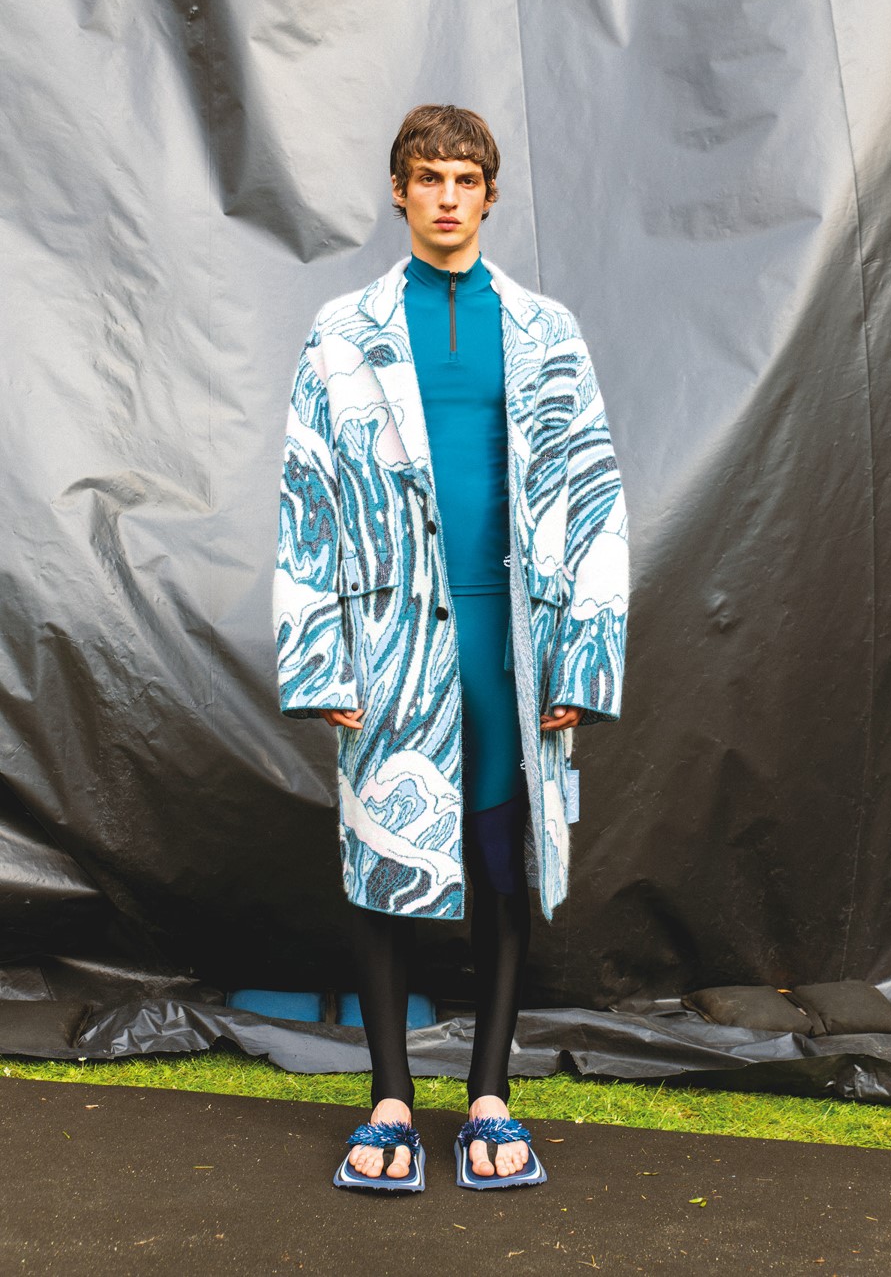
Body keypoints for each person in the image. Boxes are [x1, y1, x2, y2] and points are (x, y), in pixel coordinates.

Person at [273, 104, 628, 1190]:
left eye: (465, 179)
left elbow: (592, 494)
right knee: (382, 850)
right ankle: (389, 1099)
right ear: (399, 191)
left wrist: (584, 657)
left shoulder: (546, 331)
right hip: (387, 639)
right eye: (428, 177)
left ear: (489, 194)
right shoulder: (343, 332)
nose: (446, 196)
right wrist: (320, 656)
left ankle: (489, 1097)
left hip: (511, 642)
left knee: (502, 858)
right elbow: (306, 497)